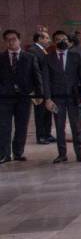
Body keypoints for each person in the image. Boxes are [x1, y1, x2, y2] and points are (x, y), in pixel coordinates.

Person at [43, 30, 81, 163]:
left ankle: (79, 153)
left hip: (74, 96)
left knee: (76, 126)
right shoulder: (48, 58)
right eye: (58, 39)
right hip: (57, 97)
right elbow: (45, 79)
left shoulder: (75, 56)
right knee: (59, 126)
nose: (61, 41)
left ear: (68, 41)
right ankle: (62, 154)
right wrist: (47, 98)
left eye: (64, 39)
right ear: (53, 42)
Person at [1, 29, 42, 163]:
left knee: (22, 125)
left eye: (13, 39)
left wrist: (39, 93)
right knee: (4, 126)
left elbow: (37, 76)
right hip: (5, 98)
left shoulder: (29, 57)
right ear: (4, 42)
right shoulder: (1, 58)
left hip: (24, 97)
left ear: (19, 40)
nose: (11, 42)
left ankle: (18, 152)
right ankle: (4, 154)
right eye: (8, 40)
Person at [26, 29, 53, 145]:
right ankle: (41, 136)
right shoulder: (33, 51)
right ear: (39, 39)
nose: (49, 40)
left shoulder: (44, 51)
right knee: (40, 112)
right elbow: (35, 71)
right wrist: (38, 88)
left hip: (47, 86)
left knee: (48, 110)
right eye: (47, 38)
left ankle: (47, 133)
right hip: (39, 87)